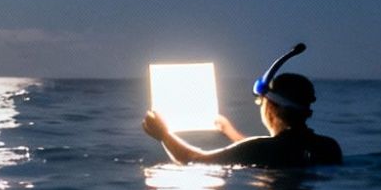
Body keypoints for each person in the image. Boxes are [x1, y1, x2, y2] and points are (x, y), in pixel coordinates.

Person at [142, 49, 342, 167]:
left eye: (261, 102)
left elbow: (194, 160)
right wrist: (231, 133)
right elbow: (277, 149)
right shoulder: (329, 147)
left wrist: (164, 135)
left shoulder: (259, 149)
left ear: (273, 108)